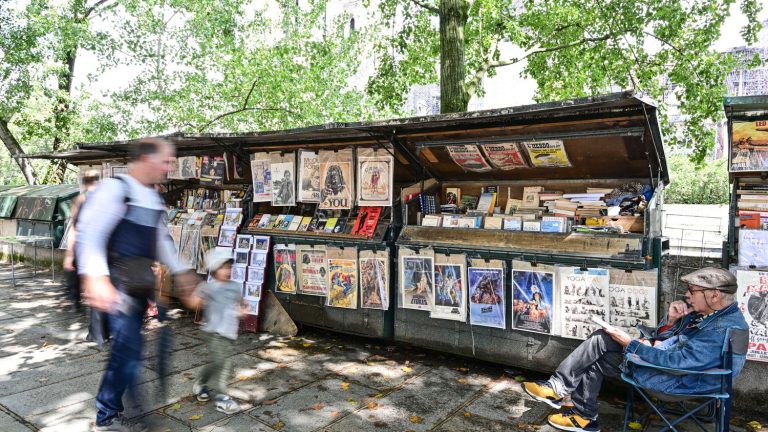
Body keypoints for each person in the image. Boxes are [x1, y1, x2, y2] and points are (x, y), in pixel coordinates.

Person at [522, 267, 748, 432]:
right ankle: (574, 405)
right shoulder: (711, 315)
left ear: (715, 295)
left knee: (601, 345)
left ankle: (574, 405)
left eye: (692, 290)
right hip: (677, 371)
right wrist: (670, 321)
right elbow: (666, 341)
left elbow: (676, 363)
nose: (687, 295)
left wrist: (631, 344)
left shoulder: (721, 328)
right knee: (601, 344)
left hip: (679, 382)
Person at [77, 138, 196, 432]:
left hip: (138, 284)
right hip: (117, 284)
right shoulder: (114, 189)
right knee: (128, 351)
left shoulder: (152, 198)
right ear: (147, 159)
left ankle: (112, 412)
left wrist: (184, 273)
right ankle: (109, 417)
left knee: (129, 351)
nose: (170, 167)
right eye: (166, 161)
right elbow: (90, 235)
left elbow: (161, 241)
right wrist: (97, 279)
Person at [182, 248, 242, 414]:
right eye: (223, 267)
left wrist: (242, 310)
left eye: (230, 267)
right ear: (214, 269)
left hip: (229, 332)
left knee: (216, 362)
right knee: (223, 364)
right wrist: (193, 296)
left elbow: (241, 303)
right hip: (213, 332)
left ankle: (201, 383)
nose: (228, 271)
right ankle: (223, 398)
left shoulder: (235, 287)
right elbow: (193, 303)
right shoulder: (208, 287)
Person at [63, 170, 100, 313]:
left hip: (82, 245)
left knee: (74, 274)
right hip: (99, 246)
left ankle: (75, 301)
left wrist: (69, 254)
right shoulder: (104, 199)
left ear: (84, 182)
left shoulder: (80, 200)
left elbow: (74, 227)